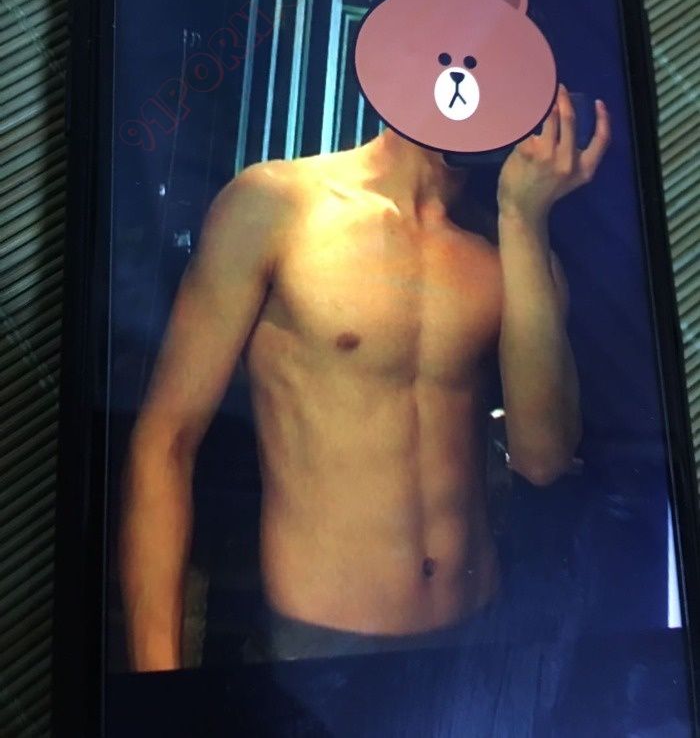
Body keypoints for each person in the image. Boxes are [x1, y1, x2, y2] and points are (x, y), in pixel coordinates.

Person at [119, 84, 610, 670]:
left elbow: (544, 458)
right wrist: (156, 681)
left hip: (474, 637)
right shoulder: (277, 204)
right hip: (318, 650)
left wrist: (524, 220)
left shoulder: (513, 245)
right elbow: (165, 442)